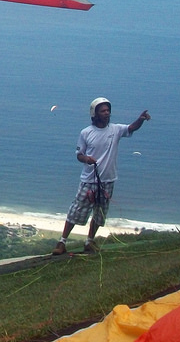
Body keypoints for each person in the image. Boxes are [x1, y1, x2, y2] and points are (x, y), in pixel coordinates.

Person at [52, 97, 151, 255]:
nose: (107, 113)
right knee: (76, 211)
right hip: (89, 180)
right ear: (95, 114)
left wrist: (140, 120)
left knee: (100, 213)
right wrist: (87, 159)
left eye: (108, 110)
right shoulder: (86, 133)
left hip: (107, 181)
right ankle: (62, 241)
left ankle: (89, 241)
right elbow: (79, 155)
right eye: (103, 111)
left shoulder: (116, 129)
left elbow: (131, 128)